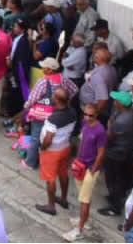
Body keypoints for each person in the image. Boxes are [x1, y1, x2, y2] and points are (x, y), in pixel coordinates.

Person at [64, 102, 108, 242]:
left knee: (84, 200)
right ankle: (85, 221)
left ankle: (79, 230)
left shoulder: (100, 131)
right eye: (86, 114)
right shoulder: (84, 124)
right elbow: (81, 143)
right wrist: (76, 160)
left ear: (96, 115)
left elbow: (101, 153)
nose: (87, 117)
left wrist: (93, 169)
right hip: (80, 166)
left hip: (89, 169)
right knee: (83, 198)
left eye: (91, 115)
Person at [35, 88, 77, 216]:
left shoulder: (53, 119)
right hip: (65, 148)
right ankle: (63, 199)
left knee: (50, 179)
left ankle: (51, 206)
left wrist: (42, 148)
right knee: (63, 174)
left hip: (52, 152)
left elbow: (48, 139)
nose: (52, 97)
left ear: (58, 100)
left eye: (54, 96)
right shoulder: (73, 112)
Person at [101, 90, 133, 218]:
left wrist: (109, 126)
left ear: (121, 104)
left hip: (117, 153)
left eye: (116, 100)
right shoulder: (127, 113)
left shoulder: (122, 121)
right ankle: (115, 197)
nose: (114, 102)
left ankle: (115, 207)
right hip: (126, 151)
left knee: (113, 179)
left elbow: (109, 136)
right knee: (120, 179)